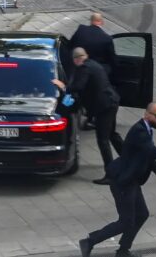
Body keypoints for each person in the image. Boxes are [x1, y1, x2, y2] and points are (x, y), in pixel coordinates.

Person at [79, 102, 156, 257]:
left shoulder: (146, 130)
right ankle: (90, 241)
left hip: (130, 180)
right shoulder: (139, 132)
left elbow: (147, 156)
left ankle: (123, 250)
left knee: (141, 214)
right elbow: (153, 152)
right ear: (146, 115)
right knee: (126, 221)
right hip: (122, 181)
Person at [52, 48, 123, 184]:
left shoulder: (84, 68)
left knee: (103, 140)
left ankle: (111, 174)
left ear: (76, 59)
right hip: (111, 102)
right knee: (112, 134)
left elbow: (78, 87)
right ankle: (129, 159)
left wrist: (63, 86)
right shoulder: (93, 64)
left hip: (104, 107)